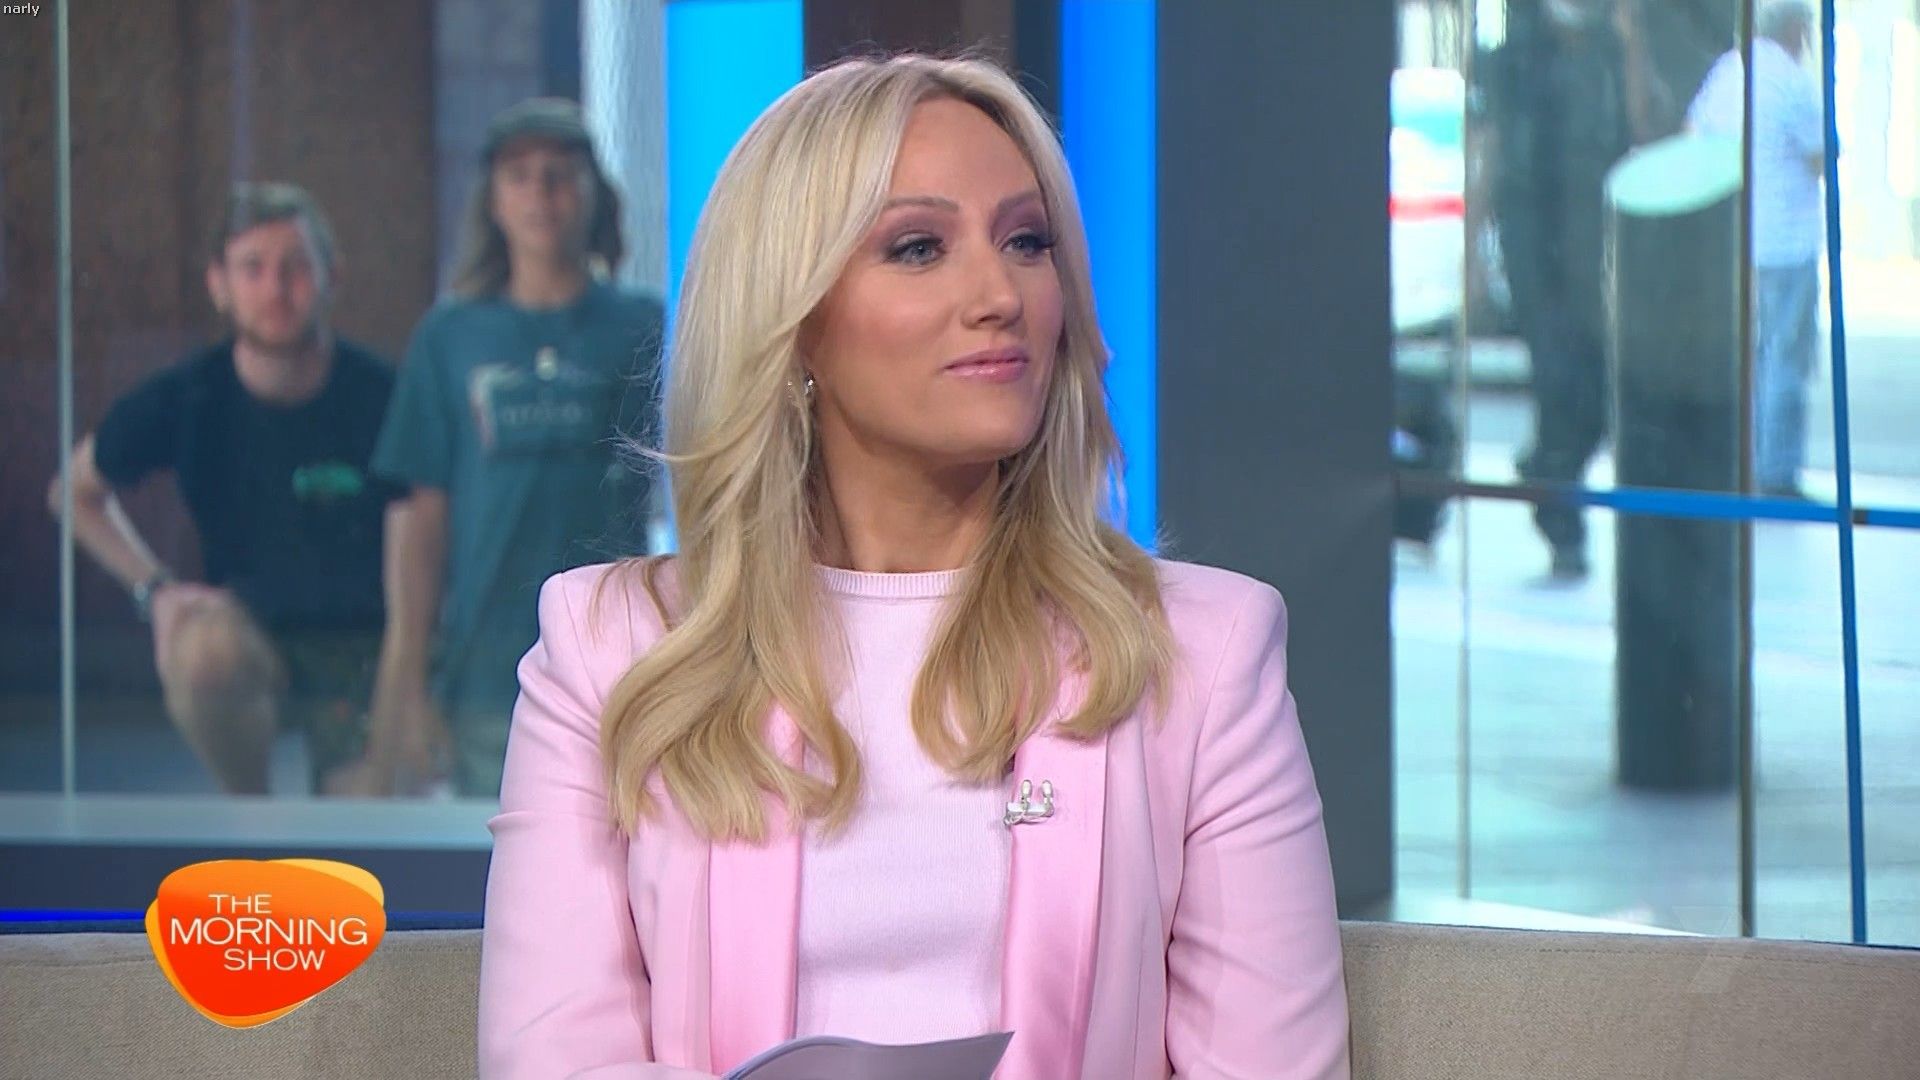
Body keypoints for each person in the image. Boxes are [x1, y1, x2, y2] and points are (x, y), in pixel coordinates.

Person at [477, 55, 1350, 1079]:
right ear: (793, 318)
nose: (1001, 294)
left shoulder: (1204, 654)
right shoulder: (609, 653)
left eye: (1027, 241)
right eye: (919, 247)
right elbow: (556, 1064)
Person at [47, 182, 399, 796]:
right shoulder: (190, 397)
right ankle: (248, 814)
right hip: (249, 635)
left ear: (332, 276)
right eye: (252, 268)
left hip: (370, 648)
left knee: (363, 822)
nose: (275, 288)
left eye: (295, 267)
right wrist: (154, 590)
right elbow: (71, 493)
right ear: (219, 284)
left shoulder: (386, 395)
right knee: (202, 652)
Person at [363, 98, 665, 799]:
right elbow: (420, 521)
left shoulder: (641, 326)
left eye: (561, 174)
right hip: (486, 668)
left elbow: (683, 489)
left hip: (618, 660)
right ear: (493, 201)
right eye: (520, 176)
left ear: (594, 194)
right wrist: (407, 683)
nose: (541, 193)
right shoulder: (450, 337)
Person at [1483, 0, 1675, 579]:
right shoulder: (1514, 58)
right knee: (1557, 379)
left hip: (1596, 248)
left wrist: (1633, 39)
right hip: (1533, 248)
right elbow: (1489, 150)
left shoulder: (1613, 51)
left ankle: (1546, 468)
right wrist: (1474, 258)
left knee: (1596, 391)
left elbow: (1648, 125)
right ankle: (1562, 522)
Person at [1687, 0, 1826, 498]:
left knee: (1744, 360)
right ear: (1794, 28)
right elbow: (1820, 155)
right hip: (1786, 244)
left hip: (1734, 243)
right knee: (1784, 361)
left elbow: (1694, 135)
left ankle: (1738, 464)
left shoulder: (1728, 71)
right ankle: (1776, 471)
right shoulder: (1793, 80)